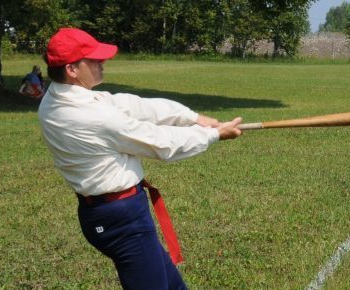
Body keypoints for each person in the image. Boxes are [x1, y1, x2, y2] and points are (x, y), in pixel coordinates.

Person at [37, 27, 243, 289]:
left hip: (109, 213)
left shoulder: (56, 99)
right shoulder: (92, 116)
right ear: (72, 70)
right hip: (121, 220)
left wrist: (194, 118)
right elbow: (161, 143)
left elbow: (134, 105)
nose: (103, 62)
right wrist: (213, 136)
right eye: (93, 59)